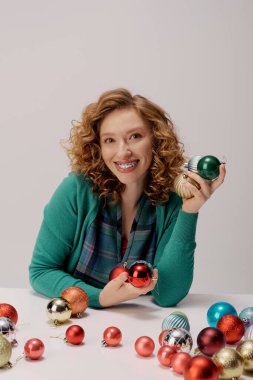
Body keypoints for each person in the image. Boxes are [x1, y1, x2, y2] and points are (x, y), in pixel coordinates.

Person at [29, 88, 226, 308]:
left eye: (135, 136)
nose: (123, 152)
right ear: (98, 147)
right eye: (110, 140)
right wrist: (100, 298)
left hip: (140, 326)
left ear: (156, 139)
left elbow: (168, 294)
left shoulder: (172, 199)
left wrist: (190, 211)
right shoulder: (76, 190)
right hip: (79, 320)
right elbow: (41, 272)